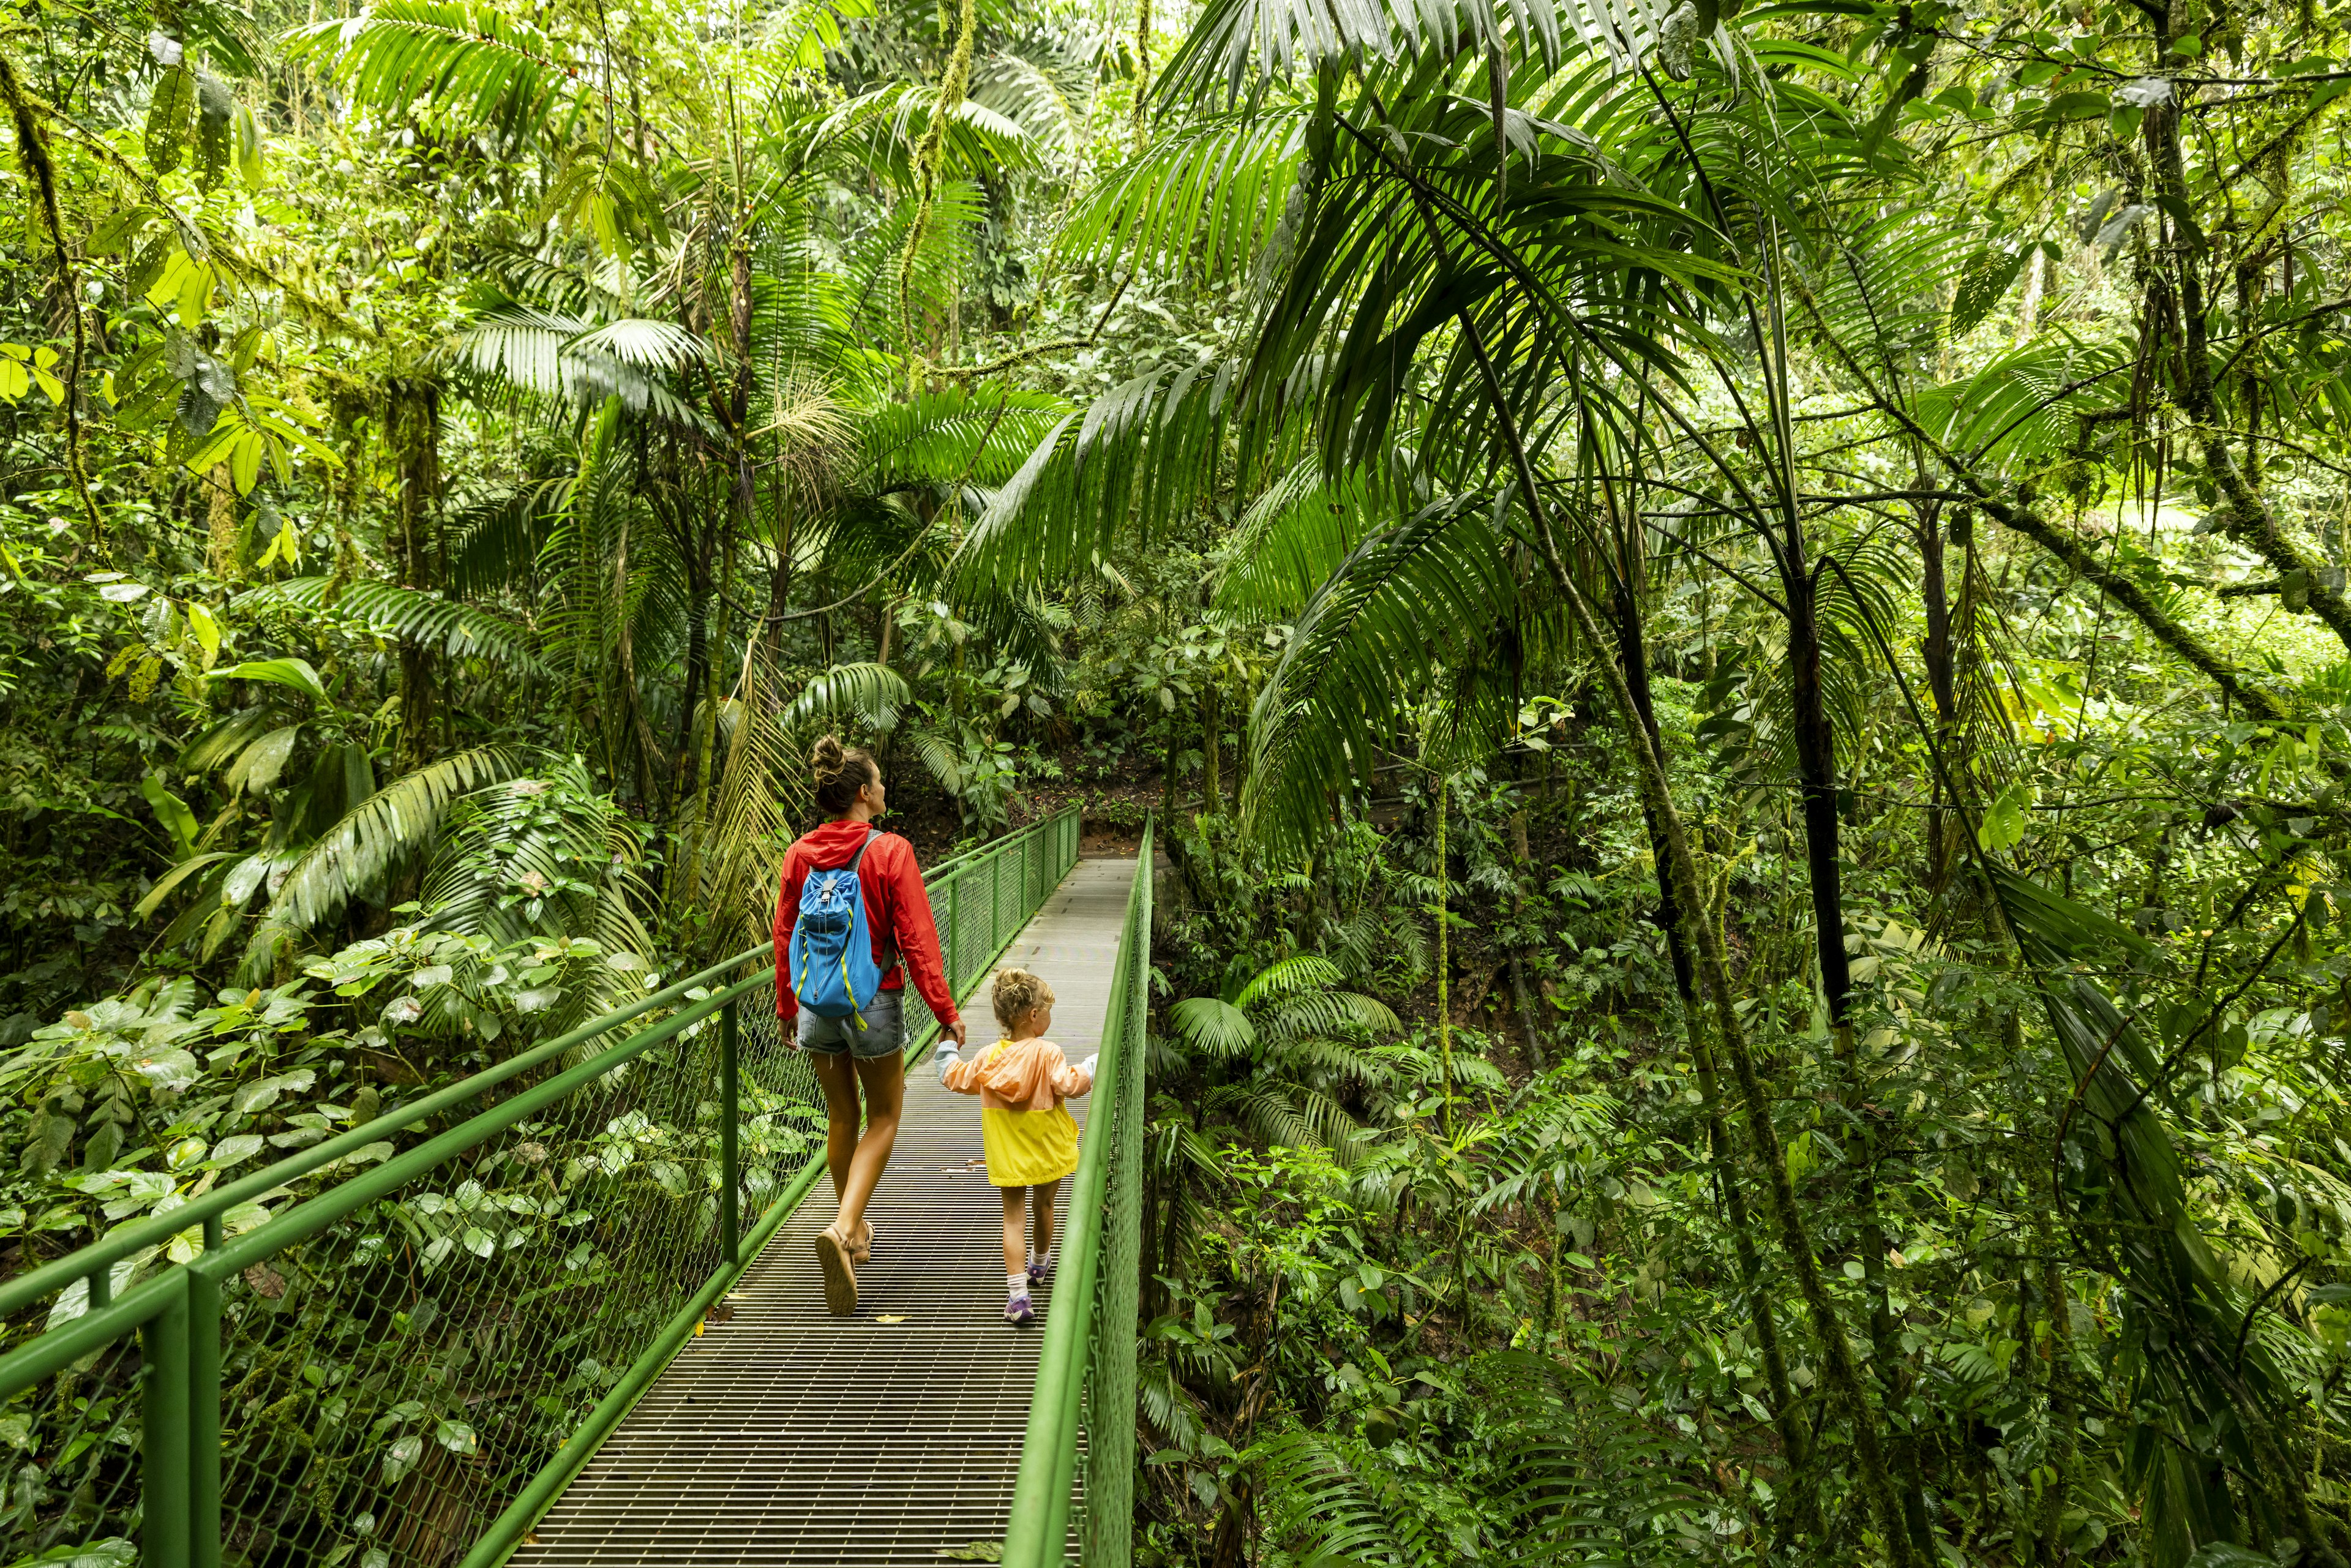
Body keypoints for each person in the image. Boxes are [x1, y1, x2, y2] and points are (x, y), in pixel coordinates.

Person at [773, 735, 966, 1315]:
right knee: (884, 1117)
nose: (884, 789)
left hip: (816, 1006)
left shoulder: (799, 854)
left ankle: (852, 1232)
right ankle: (845, 1225)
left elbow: (785, 937)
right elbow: (917, 940)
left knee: (841, 1115)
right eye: (879, 782)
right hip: (874, 1003)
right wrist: (945, 1012)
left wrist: (787, 1007)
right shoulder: (891, 851)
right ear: (863, 793)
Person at [939, 969, 1095, 1324]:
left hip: (1007, 1153)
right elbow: (1069, 1085)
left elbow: (954, 1077)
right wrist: (1092, 1065)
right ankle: (1039, 1266)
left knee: (1013, 1219)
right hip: (1046, 1148)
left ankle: (1018, 1297)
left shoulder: (987, 1059)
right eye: (1049, 1010)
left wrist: (946, 1048)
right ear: (1034, 1016)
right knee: (1045, 1206)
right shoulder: (1049, 1053)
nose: (1051, 1017)